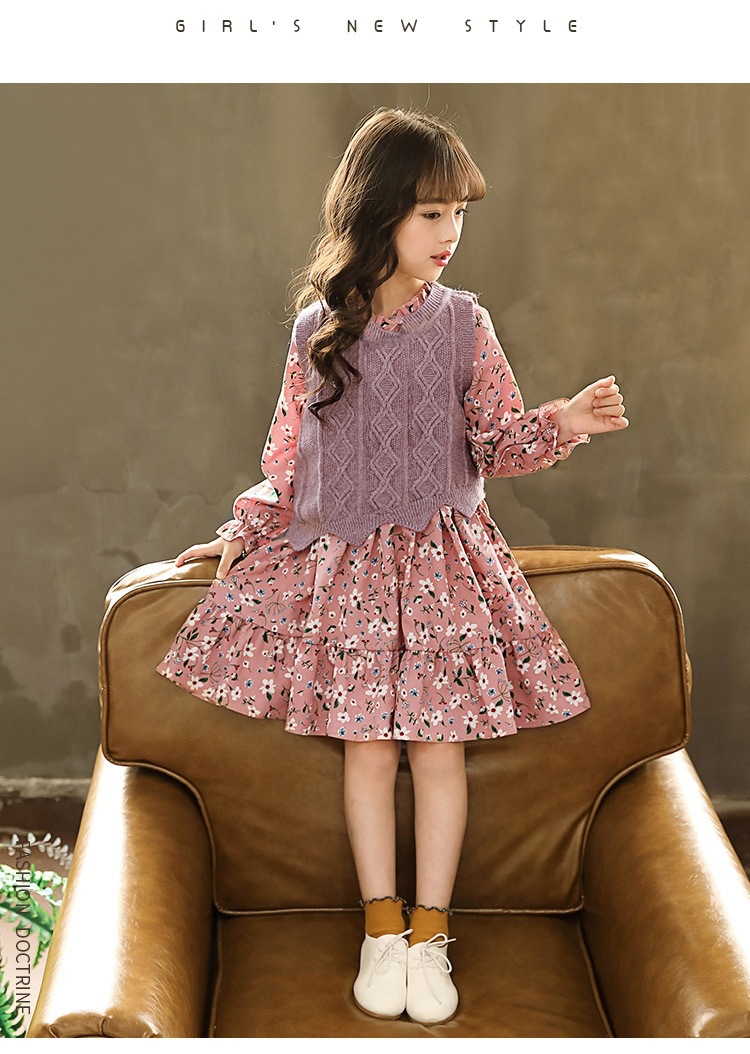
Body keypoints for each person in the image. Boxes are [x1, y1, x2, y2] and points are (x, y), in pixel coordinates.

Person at [155, 107, 628, 1026]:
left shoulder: (466, 324)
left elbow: (496, 441)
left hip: (446, 569)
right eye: (430, 214)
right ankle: (381, 927)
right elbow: (289, 461)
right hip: (351, 577)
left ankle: (428, 935)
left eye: (459, 215)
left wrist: (563, 422)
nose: (450, 234)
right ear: (379, 214)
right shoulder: (317, 332)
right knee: (368, 756)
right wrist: (241, 530)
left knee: (438, 755)